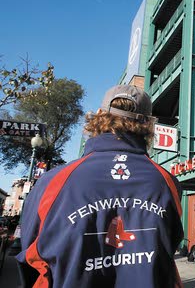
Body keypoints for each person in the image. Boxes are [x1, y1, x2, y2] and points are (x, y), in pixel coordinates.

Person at [16, 84, 184, 287]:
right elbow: (170, 246)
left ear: (98, 115)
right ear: (148, 124)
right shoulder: (166, 182)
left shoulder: (53, 182)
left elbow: (30, 258)